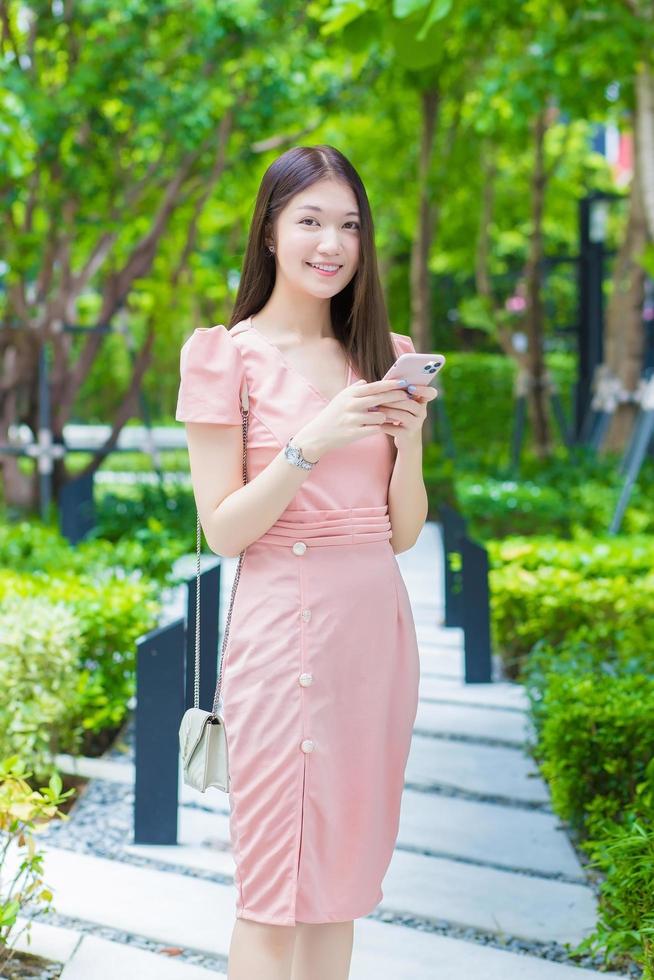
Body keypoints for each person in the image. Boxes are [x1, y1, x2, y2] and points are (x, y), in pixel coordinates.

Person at [175, 144, 437, 980]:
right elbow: (223, 531)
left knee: (340, 885)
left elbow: (401, 533)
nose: (332, 243)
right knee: (273, 889)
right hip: (282, 638)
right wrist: (308, 445)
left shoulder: (382, 351)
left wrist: (412, 440)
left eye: (349, 225)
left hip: (376, 638)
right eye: (311, 221)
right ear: (269, 233)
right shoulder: (224, 355)